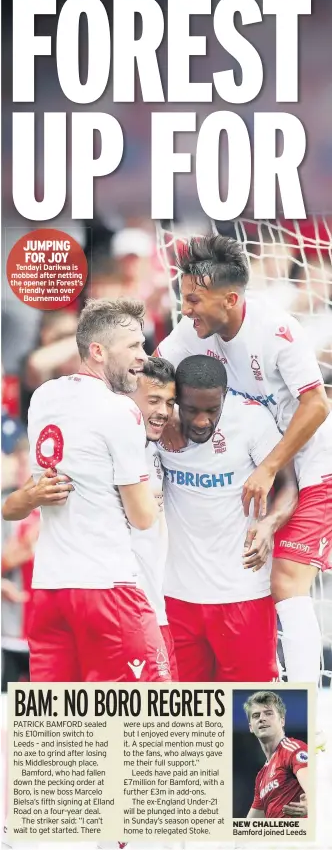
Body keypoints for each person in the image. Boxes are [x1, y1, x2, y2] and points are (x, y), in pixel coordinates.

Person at [157, 235, 332, 687]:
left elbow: (316, 405)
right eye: (182, 297)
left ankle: (305, 711)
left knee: (286, 582)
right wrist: (166, 411)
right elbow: (148, 377)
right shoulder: (188, 333)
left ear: (230, 299)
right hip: (259, 470)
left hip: (311, 469)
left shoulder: (276, 330)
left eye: (194, 299)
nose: (186, 308)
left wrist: (271, 466)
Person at [6, 297, 171, 683]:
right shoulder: (121, 411)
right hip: (107, 588)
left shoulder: (45, 397)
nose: (143, 357)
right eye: (133, 346)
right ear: (97, 351)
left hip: (50, 590)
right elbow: (143, 517)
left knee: (60, 727)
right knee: (144, 720)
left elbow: (34, 489)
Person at [158, 355, 298, 682]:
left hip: (244, 594)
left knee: (246, 715)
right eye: (192, 410)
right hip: (176, 596)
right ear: (177, 399)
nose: (203, 421)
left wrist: (268, 524)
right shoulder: (159, 424)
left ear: (224, 397)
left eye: (213, 410)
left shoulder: (251, 420)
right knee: (187, 718)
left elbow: (289, 486)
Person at [130, 356, 178, 679]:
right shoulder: (118, 448)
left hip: (158, 607)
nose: (162, 410)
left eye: (169, 402)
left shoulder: (156, 449)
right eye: (154, 400)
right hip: (132, 606)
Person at [245, 691, 308, 818]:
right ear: (251, 727)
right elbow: (248, 827)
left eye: (269, 714)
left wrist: (312, 803)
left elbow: (314, 785)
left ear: (282, 720)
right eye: (256, 715)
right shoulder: (261, 777)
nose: (262, 718)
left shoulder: (292, 750)